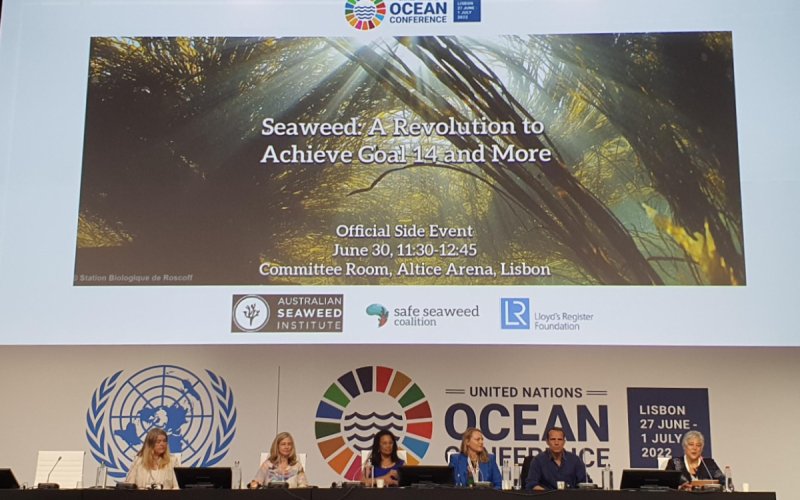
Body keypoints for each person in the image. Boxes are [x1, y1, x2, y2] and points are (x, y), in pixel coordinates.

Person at [525, 427, 592, 490]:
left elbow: (585, 483)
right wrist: (549, 496)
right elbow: (531, 484)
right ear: (547, 442)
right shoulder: (538, 460)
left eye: (560, 439)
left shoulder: (575, 460)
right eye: (553, 439)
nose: (556, 443)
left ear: (564, 442)